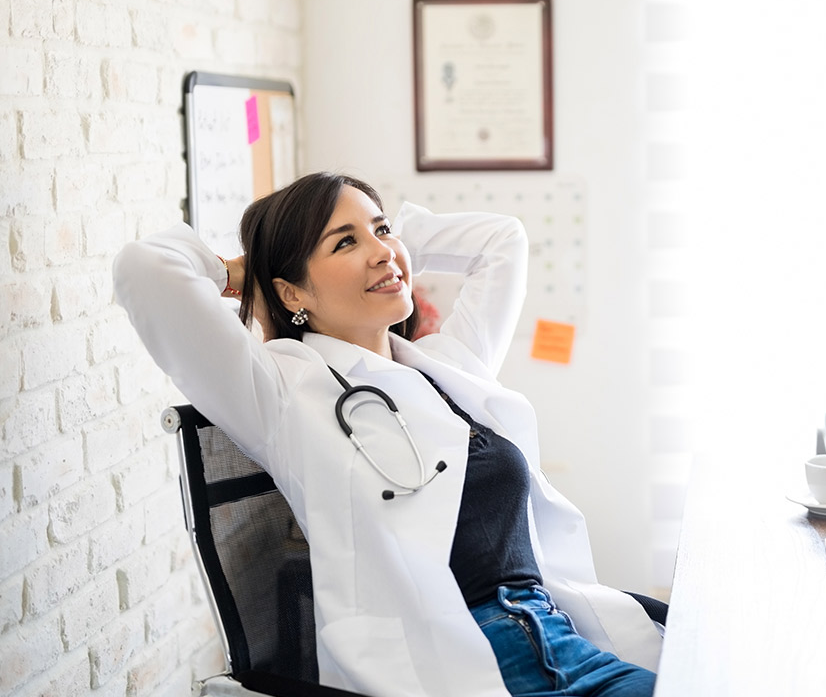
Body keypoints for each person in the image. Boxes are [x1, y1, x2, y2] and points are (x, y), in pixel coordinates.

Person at [113, 171, 662, 697]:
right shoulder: (282, 393)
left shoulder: (450, 365)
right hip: (461, 665)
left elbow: (503, 240)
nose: (380, 249)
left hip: (564, 641)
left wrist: (389, 248)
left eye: (381, 228)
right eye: (343, 243)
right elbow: (144, 268)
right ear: (291, 293)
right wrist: (239, 273)